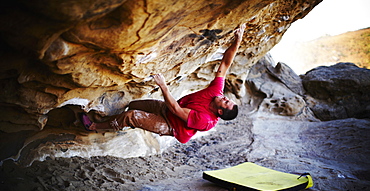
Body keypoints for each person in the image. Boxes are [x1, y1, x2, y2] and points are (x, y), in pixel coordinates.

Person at [80, 23, 246, 143]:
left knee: (132, 116)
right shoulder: (216, 92)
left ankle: (94, 126)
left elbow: (176, 109)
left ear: (219, 110)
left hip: (170, 125)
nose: (223, 97)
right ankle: (120, 122)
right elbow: (225, 65)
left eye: (225, 102)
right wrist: (237, 41)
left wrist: (163, 86)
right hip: (167, 109)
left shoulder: (206, 121)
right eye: (227, 99)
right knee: (133, 105)